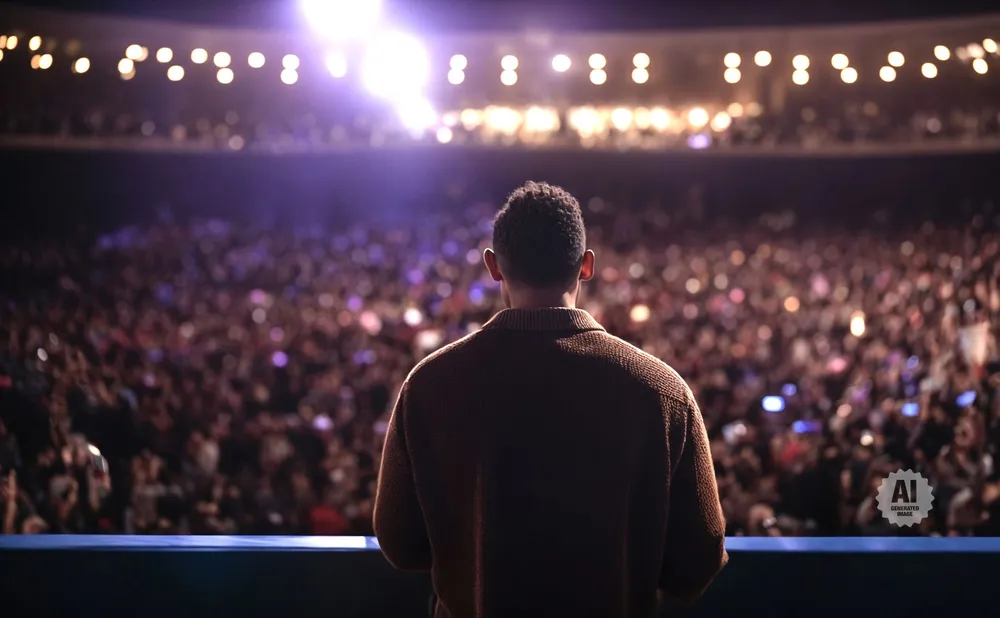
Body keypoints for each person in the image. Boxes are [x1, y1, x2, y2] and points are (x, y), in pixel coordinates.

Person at [374, 181, 728, 618]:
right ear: (586, 266)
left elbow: (400, 543)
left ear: (493, 266)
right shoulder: (660, 390)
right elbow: (695, 564)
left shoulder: (429, 384)